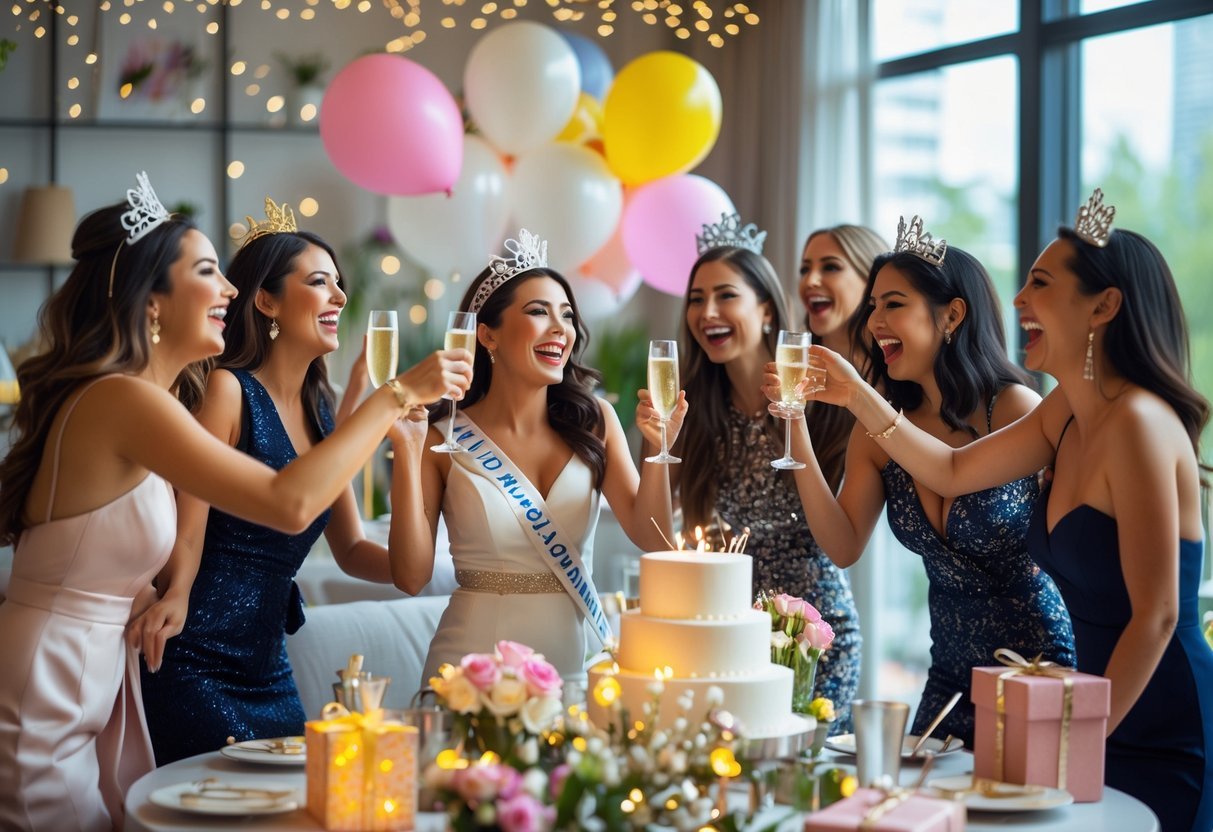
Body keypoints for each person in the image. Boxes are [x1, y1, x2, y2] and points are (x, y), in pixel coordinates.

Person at [0, 174, 469, 831]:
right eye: (208, 272)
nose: (228, 291)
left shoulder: (146, 403)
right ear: (151, 300)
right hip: (60, 675)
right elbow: (285, 503)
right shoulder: (128, 400)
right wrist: (394, 396)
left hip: (104, 676)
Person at [806, 193, 1211, 831]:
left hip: (1152, 715)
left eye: (1040, 284)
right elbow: (951, 468)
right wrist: (850, 401)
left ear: (1103, 306)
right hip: (1071, 702)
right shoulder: (1066, 416)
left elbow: (1157, 616)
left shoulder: (1135, 420)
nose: (1017, 299)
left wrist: (1074, 741)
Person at [766, 215, 1075, 746]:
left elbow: (952, 473)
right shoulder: (879, 429)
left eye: (893, 304)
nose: (873, 323)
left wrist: (859, 396)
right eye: (872, 307)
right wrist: (796, 427)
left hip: (1034, 670)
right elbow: (841, 545)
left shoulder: (1012, 407)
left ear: (952, 314)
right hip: (948, 682)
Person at [134, 200, 424, 764]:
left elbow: (353, 550)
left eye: (339, 284)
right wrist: (175, 593)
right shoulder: (229, 391)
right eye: (320, 283)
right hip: (196, 660)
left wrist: (437, 563)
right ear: (265, 300)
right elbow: (187, 530)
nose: (341, 298)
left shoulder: (325, 413)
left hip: (271, 670)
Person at [394, 229, 687, 688]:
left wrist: (657, 448)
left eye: (567, 316)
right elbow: (410, 577)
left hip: (573, 672)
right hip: (472, 672)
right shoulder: (441, 437)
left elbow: (655, 540)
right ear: (487, 334)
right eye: (538, 312)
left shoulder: (595, 421)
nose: (560, 328)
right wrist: (408, 451)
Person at [676, 213, 862, 732]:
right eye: (696, 298)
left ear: (765, 308)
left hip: (818, 638)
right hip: (733, 639)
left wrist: (793, 418)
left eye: (725, 295)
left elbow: (844, 536)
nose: (707, 312)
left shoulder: (823, 400)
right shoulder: (694, 412)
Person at [798, 225, 889, 513]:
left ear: (872, 284)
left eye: (831, 267)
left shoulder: (896, 387)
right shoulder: (798, 380)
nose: (811, 281)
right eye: (804, 269)